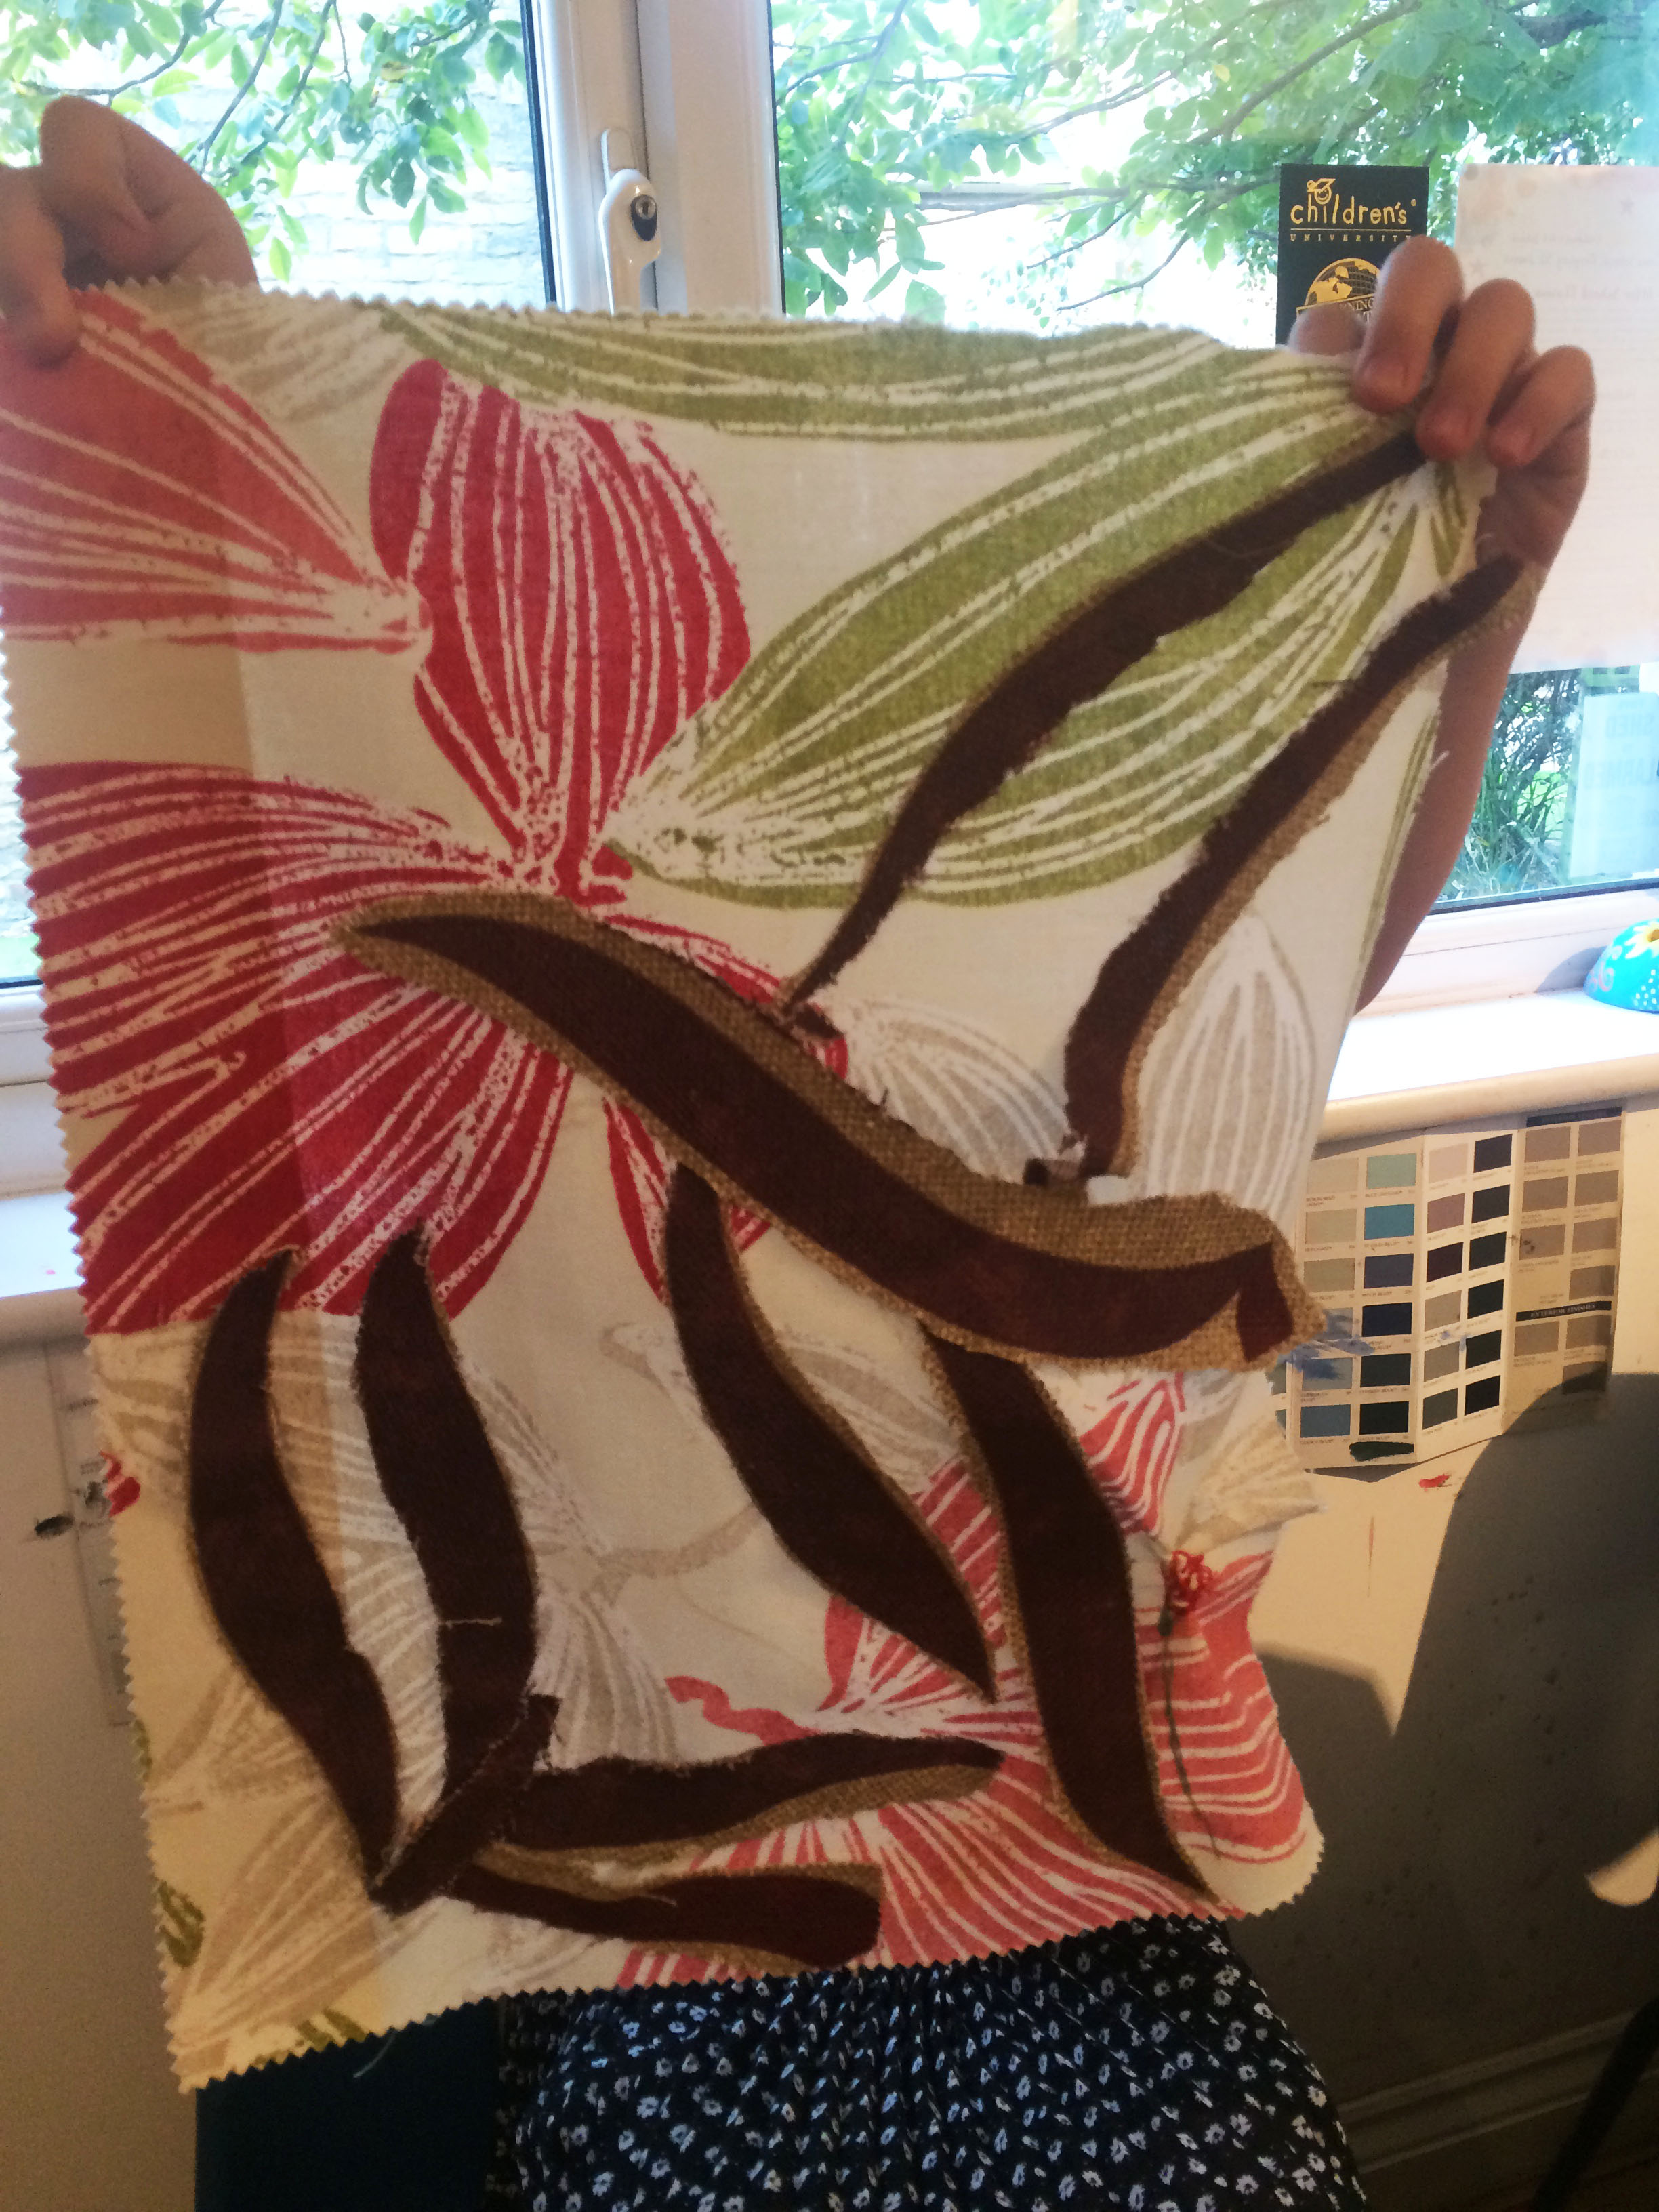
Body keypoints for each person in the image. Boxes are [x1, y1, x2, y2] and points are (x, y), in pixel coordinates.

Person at [0, 98, 1594, 2212]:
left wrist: (1437, 603)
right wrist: (176, 390)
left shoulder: (1030, 1060)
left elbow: (1247, 994)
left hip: (1061, 1893)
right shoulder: (441, 1073)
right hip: (634, 1923)